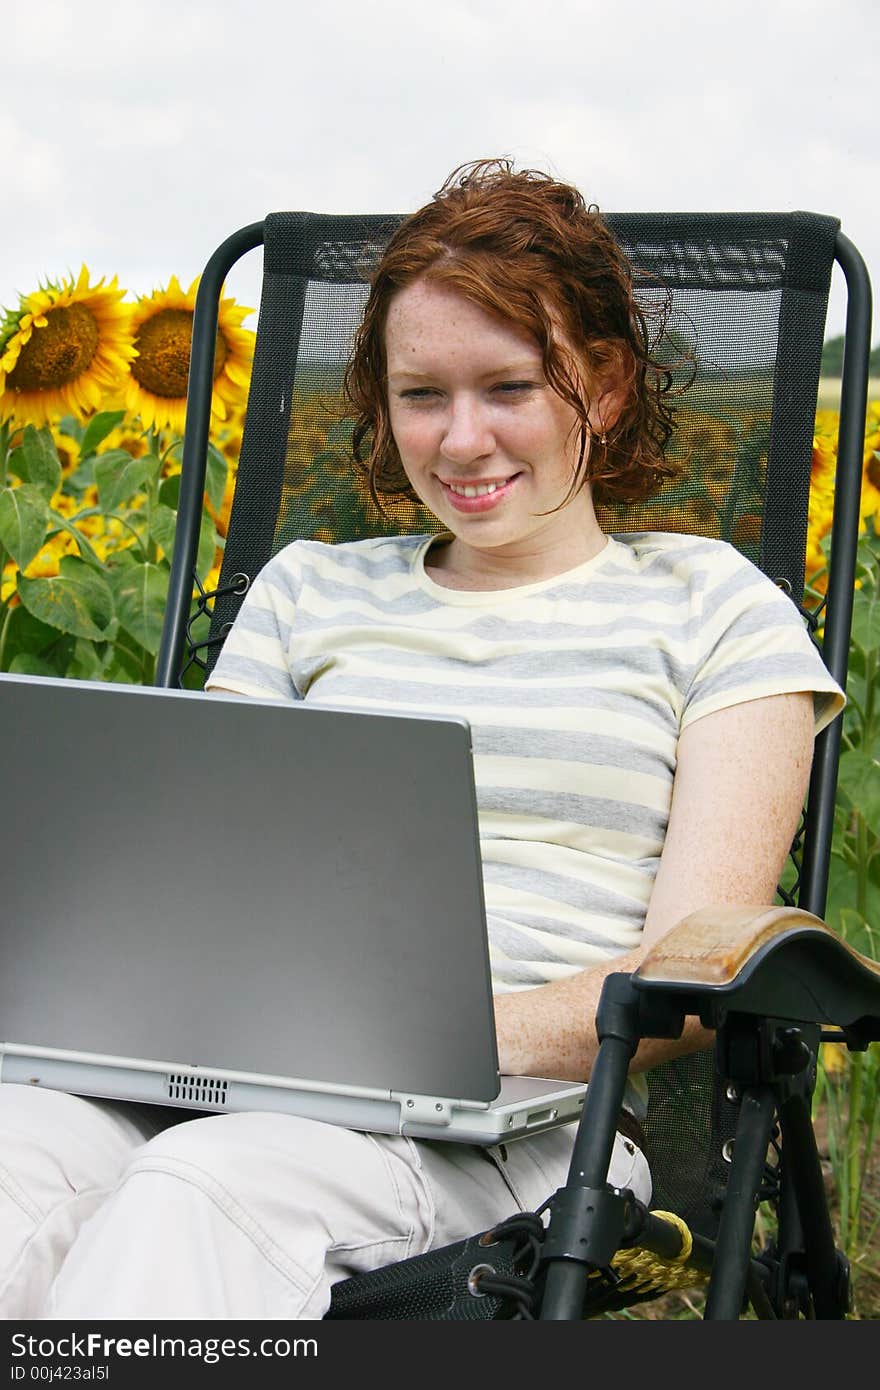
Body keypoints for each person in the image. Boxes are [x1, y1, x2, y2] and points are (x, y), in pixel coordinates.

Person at [0, 160, 844, 1320]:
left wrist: (406, 1041)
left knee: (201, 1190)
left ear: (598, 387)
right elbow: (188, 890)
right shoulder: (306, 591)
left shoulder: (714, 611)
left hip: (529, 1119)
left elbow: (688, 978)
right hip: (234, 1070)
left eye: (507, 386)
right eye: (419, 395)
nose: (460, 441)